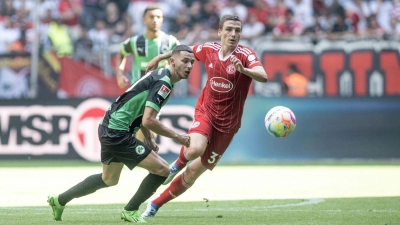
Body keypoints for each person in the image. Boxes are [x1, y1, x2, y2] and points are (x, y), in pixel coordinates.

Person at [47, 45, 195, 223]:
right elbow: (149, 120)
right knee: (163, 170)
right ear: (172, 61)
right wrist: (179, 137)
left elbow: (139, 111)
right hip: (117, 131)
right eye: (185, 61)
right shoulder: (163, 84)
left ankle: (59, 200)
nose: (189, 65)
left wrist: (147, 137)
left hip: (109, 126)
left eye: (192, 62)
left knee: (109, 179)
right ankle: (131, 210)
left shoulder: (160, 76)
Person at [141, 14, 268, 218]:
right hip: (206, 111)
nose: (233, 34)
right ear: (220, 32)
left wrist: (243, 70)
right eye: (228, 29)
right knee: (195, 149)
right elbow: (183, 50)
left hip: (228, 126)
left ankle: (154, 204)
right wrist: (159, 58)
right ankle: (175, 166)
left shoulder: (246, 55)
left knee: (192, 174)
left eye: (237, 30)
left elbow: (263, 76)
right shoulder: (209, 49)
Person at [115, 4, 180, 142]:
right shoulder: (135, 41)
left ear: (162, 20)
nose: (155, 20)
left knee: (147, 124)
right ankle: (144, 149)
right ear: (144, 20)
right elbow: (121, 54)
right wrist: (120, 74)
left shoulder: (171, 42)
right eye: (151, 17)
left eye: (158, 17)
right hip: (137, 91)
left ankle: (142, 149)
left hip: (158, 91)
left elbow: (180, 60)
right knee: (143, 128)